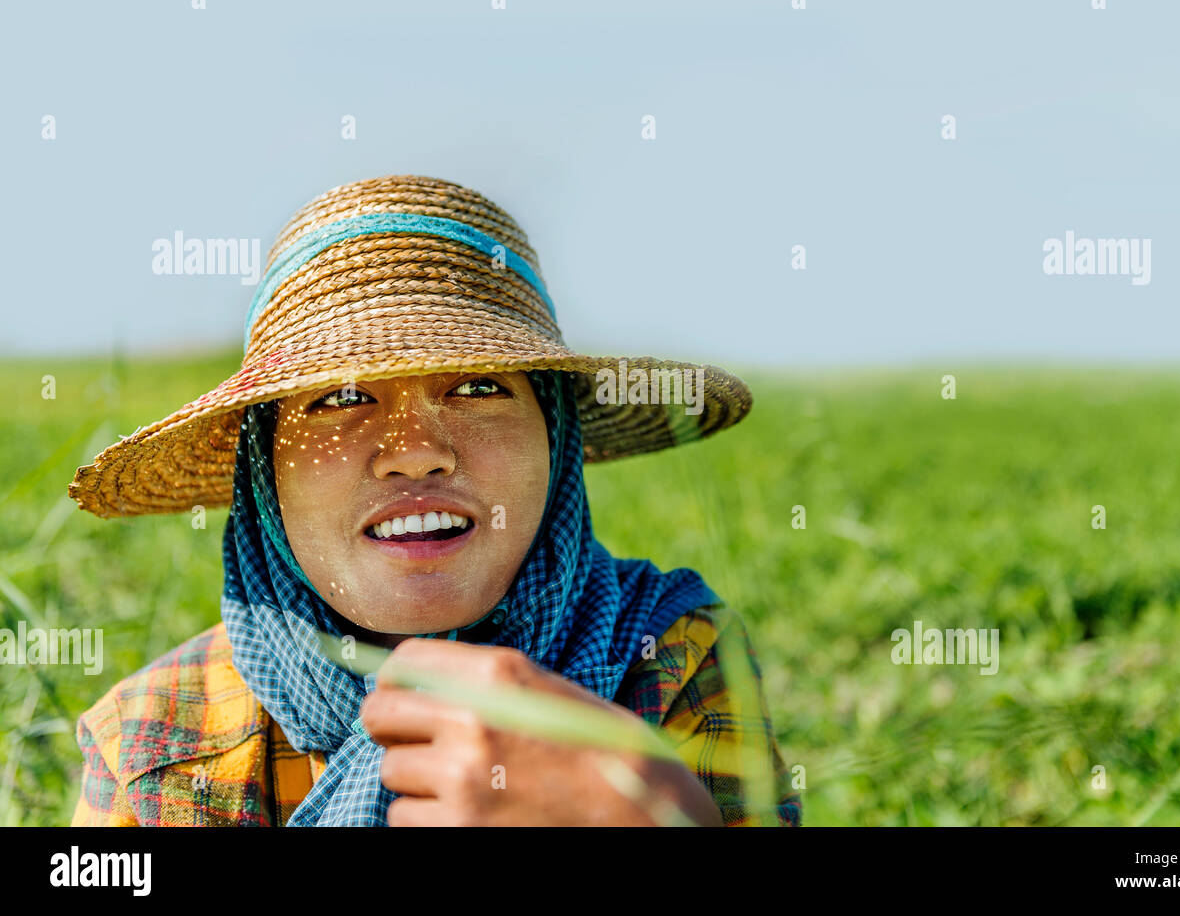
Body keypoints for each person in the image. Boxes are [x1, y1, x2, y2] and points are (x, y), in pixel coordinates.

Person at [66, 174, 801, 826]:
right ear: (264, 470)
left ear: (557, 436)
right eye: (340, 396)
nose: (416, 449)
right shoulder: (154, 736)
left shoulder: (669, 656)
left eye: (480, 386)